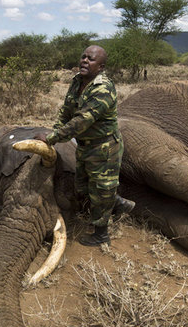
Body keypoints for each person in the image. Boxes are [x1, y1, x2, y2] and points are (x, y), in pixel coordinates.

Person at [34, 45, 135, 246]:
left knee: (101, 189)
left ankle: (101, 233)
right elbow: (67, 112)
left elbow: (81, 121)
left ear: (101, 66)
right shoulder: (77, 82)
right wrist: (54, 130)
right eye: (83, 57)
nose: (85, 61)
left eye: (91, 59)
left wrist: (52, 137)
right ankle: (118, 203)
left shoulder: (103, 88)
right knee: (83, 185)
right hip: (84, 145)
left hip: (104, 148)